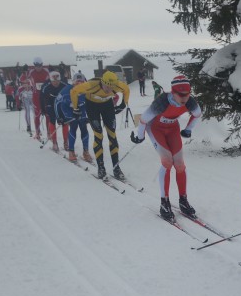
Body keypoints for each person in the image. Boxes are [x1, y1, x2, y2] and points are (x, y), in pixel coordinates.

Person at [130, 75, 201, 222]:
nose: (185, 98)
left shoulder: (190, 101)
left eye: (187, 94)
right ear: (173, 92)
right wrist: (140, 136)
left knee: (180, 164)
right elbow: (143, 119)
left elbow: (197, 114)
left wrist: (188, 129)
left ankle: (183, 200)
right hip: (155, 128)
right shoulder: (161, 102)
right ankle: (164, 202)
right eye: (181, 95)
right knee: (167, 161)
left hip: (172, 129)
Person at [70, 70, 130, 179]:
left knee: (112, 135)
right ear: (102, 82)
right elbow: (74, 91)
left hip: (107, 106)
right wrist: (75, 108)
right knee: (99, 136)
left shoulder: (116, 86)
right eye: (107, 87)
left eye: (111, 88)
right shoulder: (91, 85)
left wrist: (123, 104)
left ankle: (116, 168)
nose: (109, 90)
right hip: (92, 107)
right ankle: (101, 168)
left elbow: (126, 89)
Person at [55, 73, 93, 163]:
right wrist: (59, 117)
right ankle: (71, 151)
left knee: (84, 128)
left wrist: (90, 116)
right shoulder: (66, 90)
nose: (79, 85)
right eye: (77, 82)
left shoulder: (87, 90)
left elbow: (92, 104)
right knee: (73, 127)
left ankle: (86, 151)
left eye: (81, 82)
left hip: (82, 109)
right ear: (73, 82)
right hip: (69, 110)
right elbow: (57, 103)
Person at [41, 71, 69, 152]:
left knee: (65, 122)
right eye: (54, 81)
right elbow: (45, 101)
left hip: (62, 106)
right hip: (51, 106)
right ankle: (54, 142)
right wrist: (45, 110)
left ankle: (65, 141)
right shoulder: (47, 88)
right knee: (52, 120)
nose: (56, 83)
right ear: (50, 80)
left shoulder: (64, 86)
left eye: (57, 81)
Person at [28, 57, 51, 139]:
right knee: (37, 115)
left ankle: (49, 133)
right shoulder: (31, 72)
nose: (39, 67)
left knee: (48, 115)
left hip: (45, 96)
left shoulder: (46, 72)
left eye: (40, 65)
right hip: (36, 96)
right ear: (34, 65)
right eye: (37, 66)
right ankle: (37, 132)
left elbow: (49, 82)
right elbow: (30, 83)